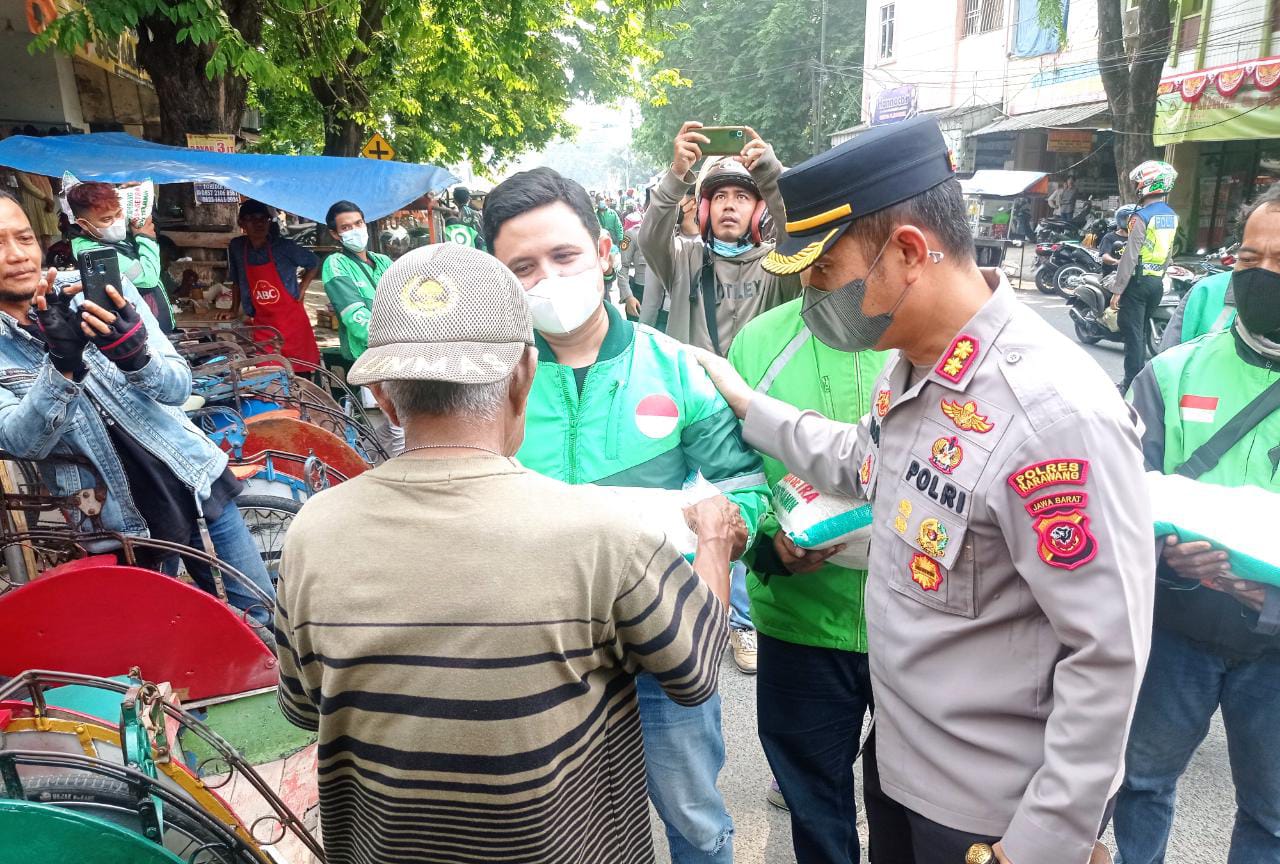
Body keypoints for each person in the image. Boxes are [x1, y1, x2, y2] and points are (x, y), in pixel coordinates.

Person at [693, 115, 1154, 864]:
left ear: (908, 252)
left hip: (992, 815)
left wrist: (1044, 843)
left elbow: (1107, 653)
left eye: (822, 271)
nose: (810, 296)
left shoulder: (1054, 413)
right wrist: (753, 409)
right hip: (905, 771)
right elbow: (866, 462)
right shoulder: (914, 368)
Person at [275, 242, 742, 864]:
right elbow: (698, 670)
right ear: (526, 373)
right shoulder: (606, 534)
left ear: (385, 398)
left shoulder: (312, 531)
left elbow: (304, 707)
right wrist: (713, 540)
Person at [484, 167, 770, 863]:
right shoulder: (487, 383)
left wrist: (728, 525)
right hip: (534, 659)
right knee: (555, 831)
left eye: (563, 256)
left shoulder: (674, 368)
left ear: (606, 251)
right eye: (521, 267)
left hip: (663, 655)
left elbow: (745, 479)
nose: (545, 280)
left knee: (697, 823)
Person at [0, 191, 275, 640]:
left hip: (194, 479)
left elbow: (178, 385)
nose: (16, 256)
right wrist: (63, 367)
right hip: (115, 523)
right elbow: (22, 441)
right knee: (166, 650)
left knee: (261, 623)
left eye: (24, 237)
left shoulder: (103, 291)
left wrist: (135, 357)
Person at [1113, 186, 1280, 864]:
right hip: (1175, 635)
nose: (1262, 273)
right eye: (1250, 255)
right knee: (1140, 784)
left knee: (1271, 818)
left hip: (1275, 654)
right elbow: (1118, 501)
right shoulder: (1171, 375)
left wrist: (1264, 598)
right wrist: (1165, 552)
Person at [727, 294, 893, 863]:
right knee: (815, 807)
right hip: (800, 623)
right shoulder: (760, 340)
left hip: (924, 625)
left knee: (909, 809)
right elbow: (733, 472)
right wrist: (769, 543)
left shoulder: (933, 337)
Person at [639, 122, 800, 357]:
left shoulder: (776, 265)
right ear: (705, 210)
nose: (729, 205)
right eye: (720, 196)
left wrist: (769, 173)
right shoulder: (684, 260)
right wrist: (676, 175)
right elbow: (650, 238)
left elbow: (798, 232)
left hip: (754, 392)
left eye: (742, 197)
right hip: (695, 393)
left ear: (758, 210)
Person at [319, 200, 403, 455]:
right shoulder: (335, 264)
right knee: (401, 424)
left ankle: (357, 463)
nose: (355, 230)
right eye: (346, 227)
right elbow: (356, 319)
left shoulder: (384, 261)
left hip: (399, 352)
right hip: (371, 355)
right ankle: (405, 480)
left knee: (391, 423)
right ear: (335, 234)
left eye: (358, 223)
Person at [66, 180, 175, 334]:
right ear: (83, 224)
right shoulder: (92, 252)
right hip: (138, 330)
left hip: (154, 321)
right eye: (106, 219)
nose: (116, 222)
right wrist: (145, 238)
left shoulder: (105, 236)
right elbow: (147, 279)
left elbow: (145, 225)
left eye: (118, 214)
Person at [1111, 161, 1180, 391]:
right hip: (1156, 284)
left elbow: (1130, 255)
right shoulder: (1171, 216)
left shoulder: (1140, 217)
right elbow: (1169, 252)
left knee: (1133, 336)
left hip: (1137, 284)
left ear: (1146, 184)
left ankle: (1131, 384)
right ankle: (1140, 382)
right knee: (1139, 333)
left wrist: (1118, 289)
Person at [227, 199, 321, 368]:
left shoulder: (284, 247)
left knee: (300, 376)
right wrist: (233, 309)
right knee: (269, 377)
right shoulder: (238, 247)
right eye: (251, 219)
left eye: (263, 219)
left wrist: (302, 289)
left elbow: (313, 262)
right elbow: (236, 280)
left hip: (292, 324)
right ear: (241, 222)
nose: (259, 223)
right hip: (263, 326)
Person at [15, 171, 58, 250]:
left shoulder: (39, 169)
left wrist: (50, 200)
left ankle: (48, 257)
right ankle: (41, 259)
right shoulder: (20, 169)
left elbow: (48, 186)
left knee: (47, 234)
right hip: (32, 202)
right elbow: (28, 186)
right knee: (35, 234)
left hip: (46, 203)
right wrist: (47, 199)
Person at [1099, 204, 1136, 275]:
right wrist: (1117, 262)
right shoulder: (1109, 237)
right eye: (1131, 219)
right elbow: (1105, 257)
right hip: (1113, 275)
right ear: (1122, 220)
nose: (1134, 222)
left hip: (1132, 275)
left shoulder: (1137, 238)